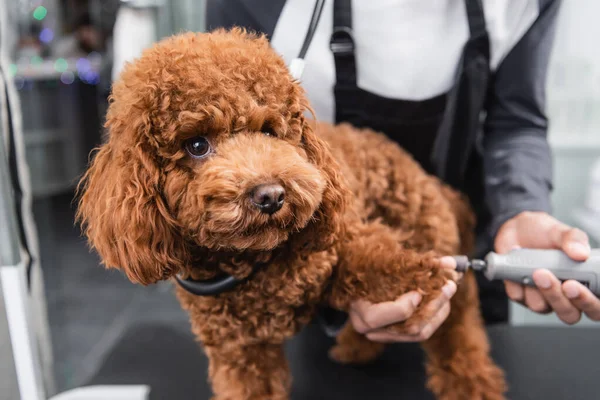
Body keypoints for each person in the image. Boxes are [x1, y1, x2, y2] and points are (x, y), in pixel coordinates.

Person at [203, 0, 600, 341]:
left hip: (470, 236)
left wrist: (522, 207)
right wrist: (338, 276)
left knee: (465, 352)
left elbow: (515, 118)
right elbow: (220, 135)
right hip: (306, 249)